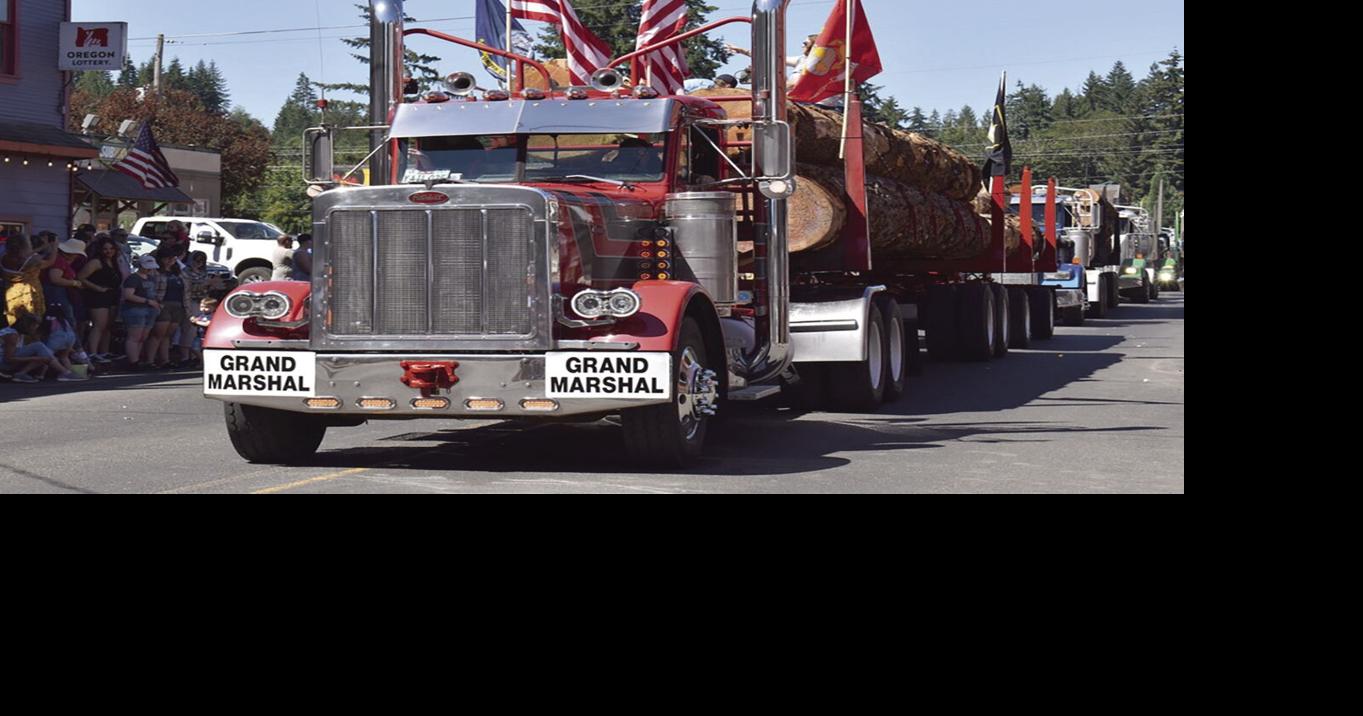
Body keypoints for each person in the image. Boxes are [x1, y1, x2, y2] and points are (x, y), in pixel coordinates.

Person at [1, 311, 84, 383]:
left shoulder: (16, 333)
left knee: (42, 351)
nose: (35, 330)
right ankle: (65, 373)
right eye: (34, 327)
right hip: (3, 364)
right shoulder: (12, 336)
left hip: (8, 360)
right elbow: (8, 359)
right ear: (27, 326)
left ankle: (24, 373)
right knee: (39, 347)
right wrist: (37, 359)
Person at [79, 237, 124, 363]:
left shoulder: (114, 262)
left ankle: (104, 352)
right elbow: (81, 277)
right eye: (105, 249)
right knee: (99, 325)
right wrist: (97, 288)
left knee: (108, 326)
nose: (108, 251)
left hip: (113, 295)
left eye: (111, 248)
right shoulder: (96, 262)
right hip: (97, 296)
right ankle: (92, 353)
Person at [148, 251, 190, 369]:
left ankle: (165, 360)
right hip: (163, 303)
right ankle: (150, 360)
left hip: (178, 305)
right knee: (158, 334)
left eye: (172, 258)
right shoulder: (156, 272)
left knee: (168, 335)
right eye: (167, 258)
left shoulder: (179, 273)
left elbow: (188, 281)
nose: (170, 260)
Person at [120, 255, 162, 370]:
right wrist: (147, 301)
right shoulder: (133, 278)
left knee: (143, 336)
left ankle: (137, 359)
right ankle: (133, 361)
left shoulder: (151, 278)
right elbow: (128, 295)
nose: (149, 269)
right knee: (134, 336)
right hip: (135, 309)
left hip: (150, 309)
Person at [3, 233, 54, 326]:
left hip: (11, 292)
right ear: (25, 246)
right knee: (31, 322)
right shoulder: (34, 260)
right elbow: (50, 262)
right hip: (29, 293)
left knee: (15, 321)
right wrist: (54, 246)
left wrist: (42, 247)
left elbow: (24, 255)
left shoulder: (5, 258)